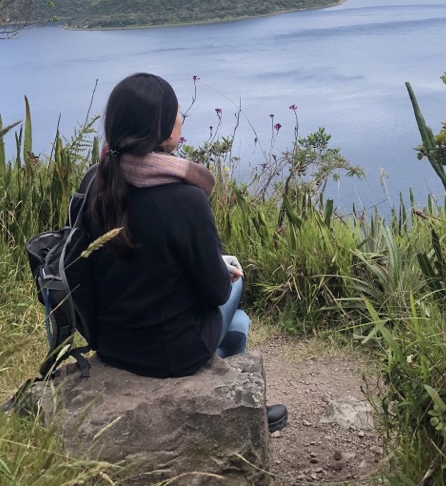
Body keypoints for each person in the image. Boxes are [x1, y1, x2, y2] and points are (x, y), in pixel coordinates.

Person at [67, 72, 287, 431]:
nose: (182, 118)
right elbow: (215, 293)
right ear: (161, 129)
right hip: (171, 352)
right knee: (236, 291)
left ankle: (238, 402)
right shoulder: (185, 197)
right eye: (177, 112)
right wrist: (221, 269)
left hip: (111, 342)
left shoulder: (97, 182)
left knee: (239, 325)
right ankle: (240, 413)